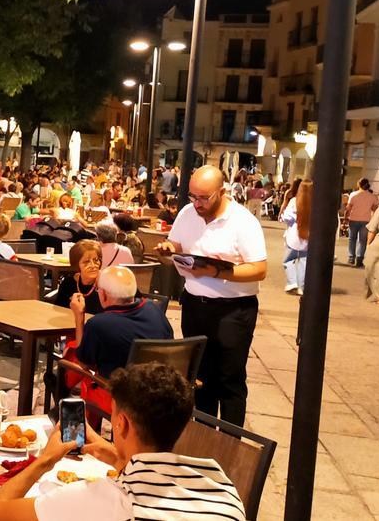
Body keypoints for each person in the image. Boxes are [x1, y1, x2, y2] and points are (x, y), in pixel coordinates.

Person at [0, 362, 245, 521]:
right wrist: (120, 457)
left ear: (122, 423)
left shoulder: (111, 501)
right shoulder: (221, 486)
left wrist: (45, 461)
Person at [157, 165, 267, 426]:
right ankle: (203, 438)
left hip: (233, 310)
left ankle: (230, 443)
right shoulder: (187, 213)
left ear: (222, 192)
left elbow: (260, 269)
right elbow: (179, 247)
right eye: (193, 196)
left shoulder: (242, 221)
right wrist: (168, 248)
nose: (197, 203)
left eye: (204, 198)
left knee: (229, 379)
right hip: (195, 305)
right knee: (199, 377)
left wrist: (216, 271)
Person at [58, 266, 174, 420]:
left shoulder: (99, 324)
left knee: (75, 371)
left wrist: (79, 317)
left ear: (104, 294)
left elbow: (84, 363)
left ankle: (75, 433)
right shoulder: (154, 309)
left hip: (122, 396)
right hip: (159, 391)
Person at [51, 240, 103, 314]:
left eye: (96, 260)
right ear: (76, 264)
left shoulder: (105, 285)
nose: (93, 265)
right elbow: (58, 309)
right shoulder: (68, 283)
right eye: (86, 262)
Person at [281, 180, 314, 294]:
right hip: (309, 236)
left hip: (294, 236)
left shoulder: (294, 201)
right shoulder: (316, 202)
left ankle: (292, 282)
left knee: (287, 260)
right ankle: (301, 287)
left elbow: (286, 218)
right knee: (303, 263)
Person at [344, 178, 379, 267]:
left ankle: (351, 258)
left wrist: (345, 218)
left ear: (359, 184)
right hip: (366, 221)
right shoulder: (372, 196)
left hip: (353, 219)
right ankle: (360, 259)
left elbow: (348, 208)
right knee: (362, 240)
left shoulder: (353, 195)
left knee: (352, 239)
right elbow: (375, 209)